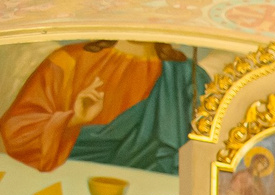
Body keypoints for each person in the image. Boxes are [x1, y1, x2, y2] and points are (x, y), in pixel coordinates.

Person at [2, 40, 204, 176]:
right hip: (65, 187)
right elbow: (16, 132)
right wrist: (72, 119)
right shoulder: (69, 60)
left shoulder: (187, 77)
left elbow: (204, 160)